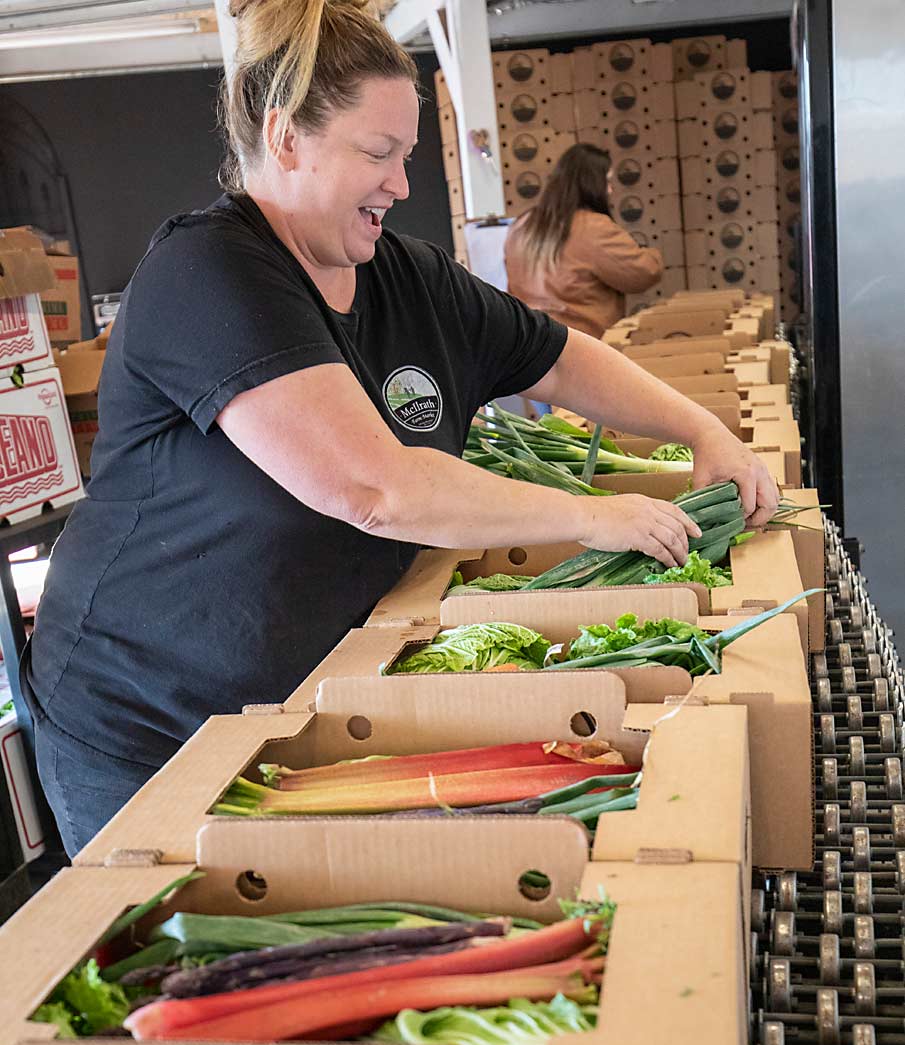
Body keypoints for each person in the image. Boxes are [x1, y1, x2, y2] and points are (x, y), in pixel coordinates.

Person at [23, 0, 779, 859]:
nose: (402, 184)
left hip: (296, 696)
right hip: (148, 715)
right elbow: (373, 488)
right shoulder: (209, 274)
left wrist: (701, 431)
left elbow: (559, 358)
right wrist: (591, 515)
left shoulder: (406, 275)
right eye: (377, 154)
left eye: (407, 155)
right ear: (287, 139)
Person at [504, 143, 664, 339]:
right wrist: (652, 254)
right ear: (591, 183)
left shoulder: (522, 225)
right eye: (607, 181)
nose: (611, 190)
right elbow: (643, 272)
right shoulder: (593, 228)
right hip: (581, 347)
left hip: (531, 347)